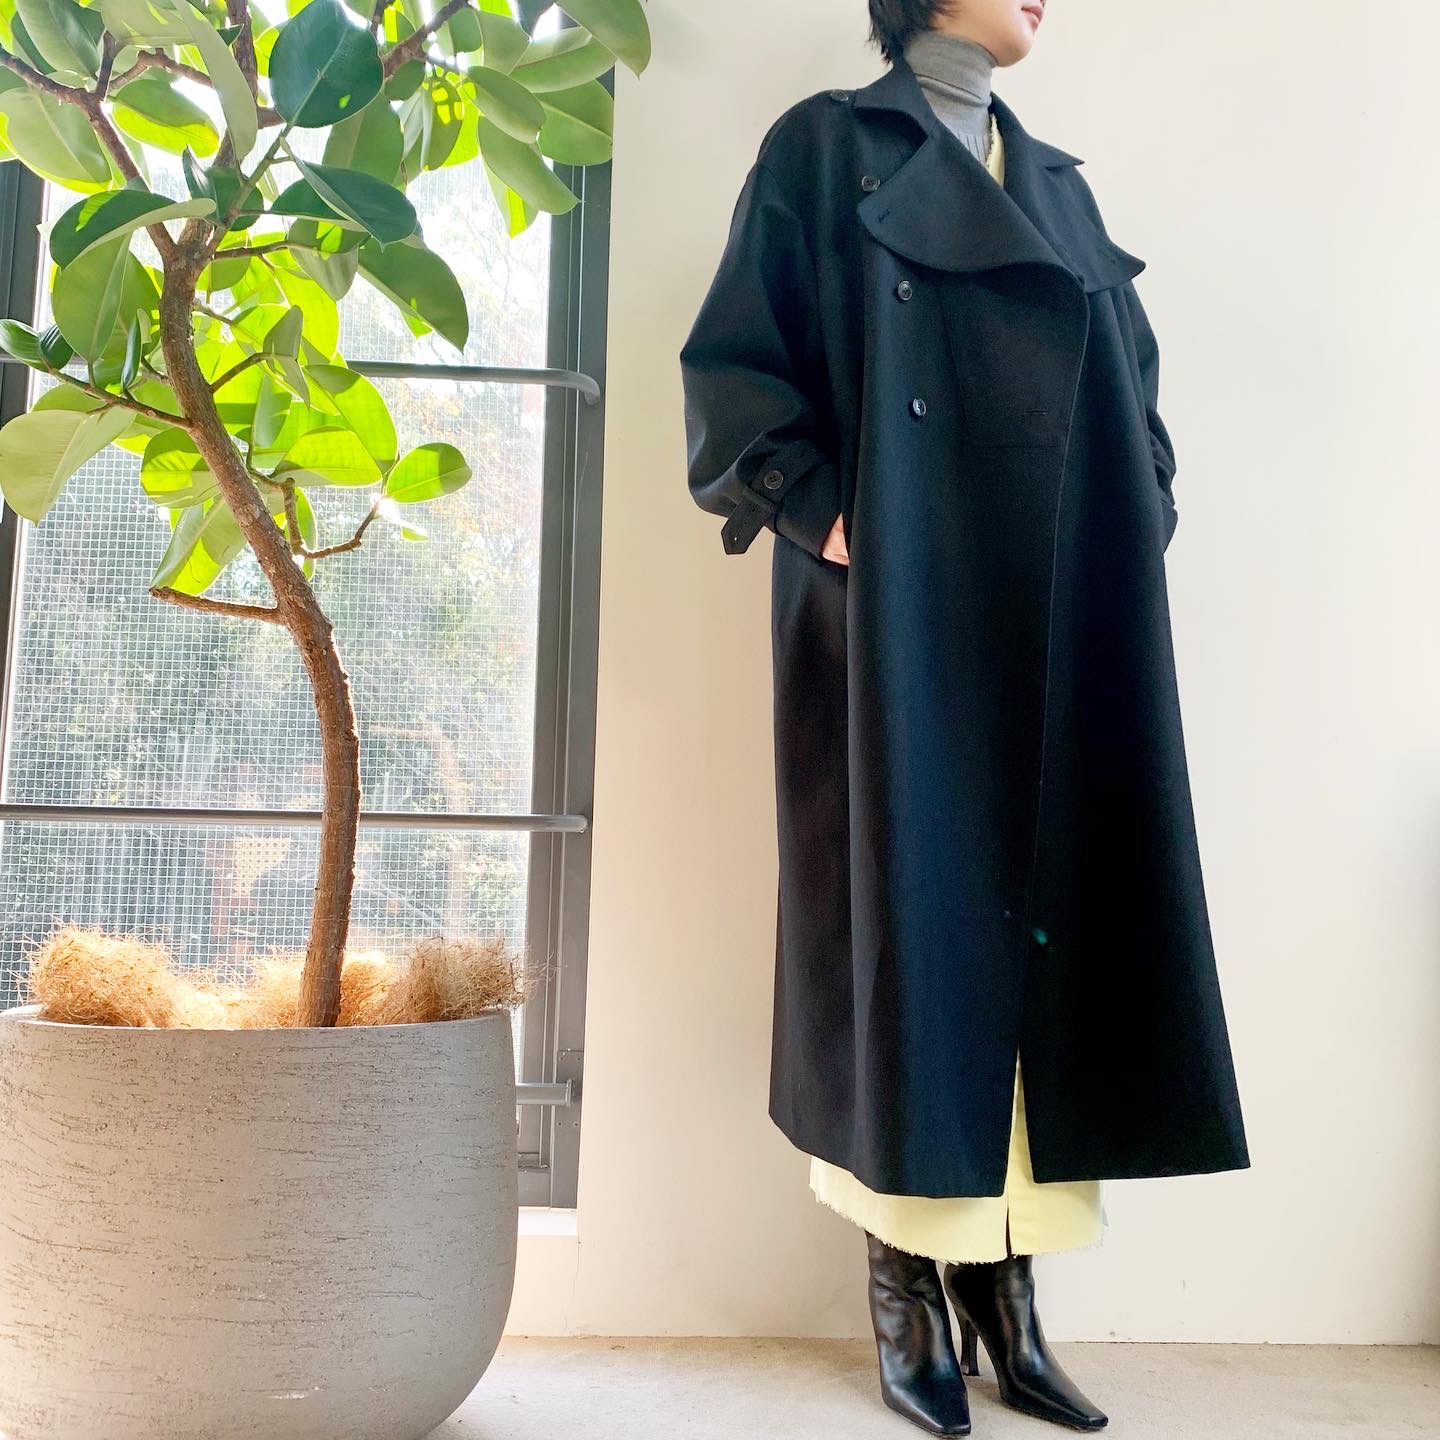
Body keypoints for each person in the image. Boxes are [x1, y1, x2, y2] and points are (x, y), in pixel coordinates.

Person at [679, 1, 1250, 1434]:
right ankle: (903, 1291)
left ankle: (1009, 1299)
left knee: (1052, 947)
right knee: (910, 939)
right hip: (901, 624)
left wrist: (1137, 510)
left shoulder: (1055, 183)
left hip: (1062, 623)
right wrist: (828, 518)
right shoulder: (824, 150)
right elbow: (738, 366)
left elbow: (1133, 385)